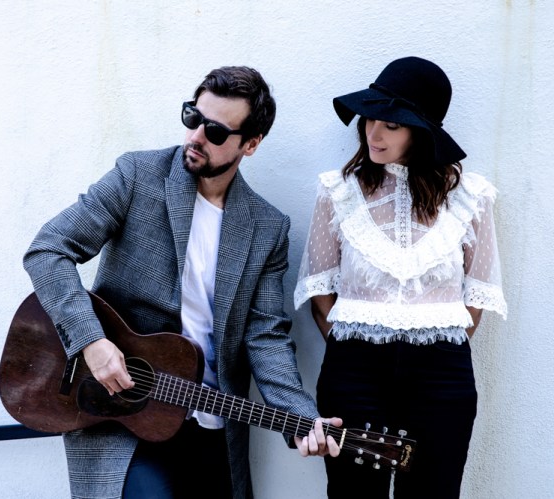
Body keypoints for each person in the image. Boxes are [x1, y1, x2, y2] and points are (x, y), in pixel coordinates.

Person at [24, 66, 340, 499]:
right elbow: (48, 250)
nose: (195, 136)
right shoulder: (138, 176)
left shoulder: (266, 228)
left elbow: (265, 335)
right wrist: (91, 342)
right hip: (123, 410)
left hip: (209, 421)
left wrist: (301, 416)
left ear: (250, 144)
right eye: (193, 117)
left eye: (215, 131)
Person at [294, 56, 507, 498]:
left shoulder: (470, 197)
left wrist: (428, 350)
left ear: (421, 131)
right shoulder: (337, 191)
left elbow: (477, 297)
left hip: (441, 375)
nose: (373, 133)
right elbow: (320, 291)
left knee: (434, 492)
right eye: (370, 119)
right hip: (353, 371)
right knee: (354, 495)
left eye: (391, 124)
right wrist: (357, 348)